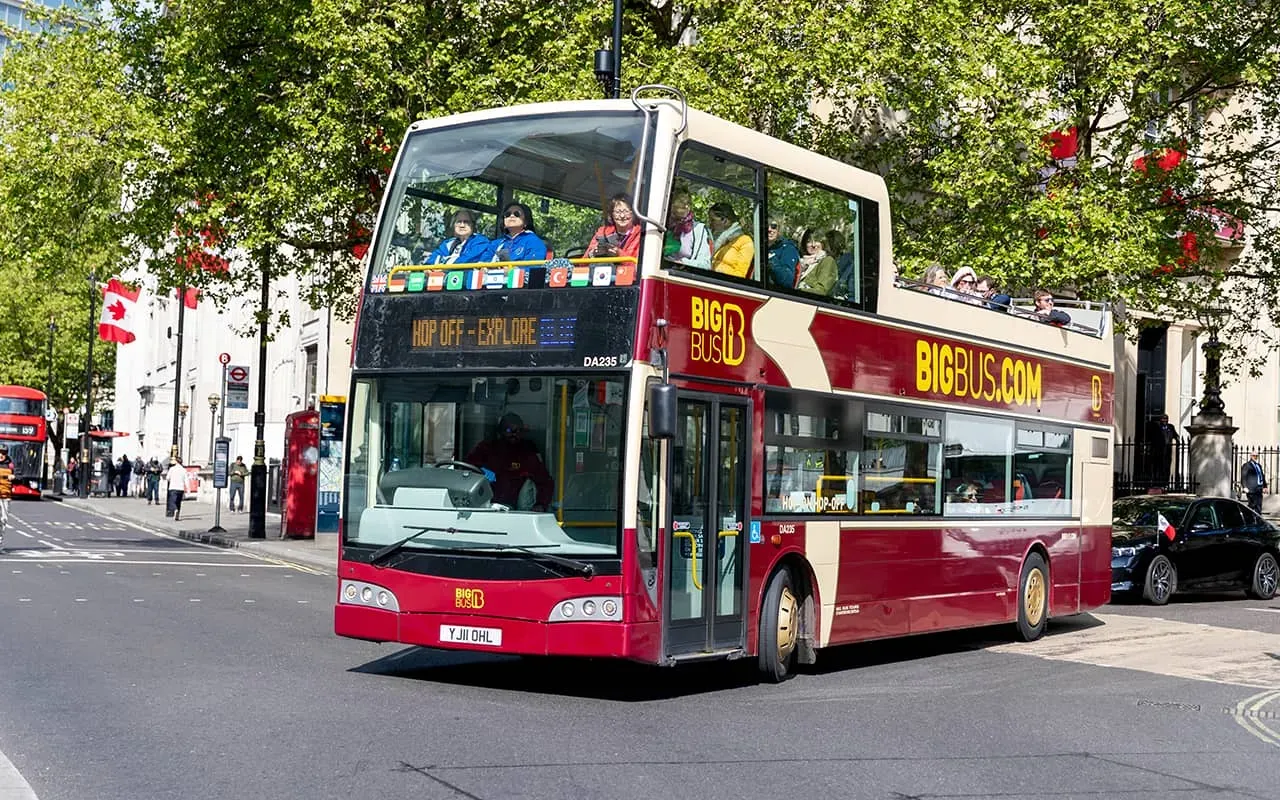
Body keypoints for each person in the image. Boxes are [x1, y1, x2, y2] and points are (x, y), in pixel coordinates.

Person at [464, 412, 554, 510]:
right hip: (486, 505)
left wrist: (541, 504)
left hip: (515, 511)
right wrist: (485, 473)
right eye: (509, 430)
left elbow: (545, 482)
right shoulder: (486, 448)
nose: (514, 434)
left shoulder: (527, 454)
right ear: (500, 431)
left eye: (519, 431)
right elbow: (467, 468)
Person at [662, 185, 712, 270]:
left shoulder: (698, 229)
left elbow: (705, 265)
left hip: (682, 273)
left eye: (688, 203)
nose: (686, 206)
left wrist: (683, 263)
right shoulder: (662, 221)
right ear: (671, 203)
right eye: (682, 202)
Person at [587, 193, 643, 260]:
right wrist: (593, 253)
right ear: (612, 215)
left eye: (626, 211)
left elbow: (640, 263)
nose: (622, 216)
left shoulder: (640, 235)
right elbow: (583, 261)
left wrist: (618, 254)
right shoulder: (602, 232)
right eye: (617, 212)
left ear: (633, 213)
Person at [425, 208, 491, 265]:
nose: (462, 225)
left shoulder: (480, 241)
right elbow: (432, 260)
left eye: (466, 222)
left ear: (473, 225)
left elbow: (466, 261)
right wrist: (428, 268)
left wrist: (443, 263)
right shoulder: (448, 243)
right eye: (459, 222)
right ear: (453, 225)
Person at [708, 202, 754, 278]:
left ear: (724, 220)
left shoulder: (745, 241)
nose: (710, 224)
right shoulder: (717, 240)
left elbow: (740, 274)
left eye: (713, 220)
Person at [795, 228, 838, 296]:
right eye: (809, 241)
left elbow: (821, 290)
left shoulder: (827, 261)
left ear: (823, 243)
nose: (813, 245)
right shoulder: (800, 262)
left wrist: (798, 292)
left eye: (817, 241)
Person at [1145, 414, 1178, 488]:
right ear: (1160, 420)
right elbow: (1151, 437)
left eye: (1166, 419)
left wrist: (1177, 441)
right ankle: (1156, 482)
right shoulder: (1157, 427)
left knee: (1166, 467)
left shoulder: (1170, 427)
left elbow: (1175, 435)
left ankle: (1165, 482)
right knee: (1157, 467)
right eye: (1163, 419)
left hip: (1168, 450)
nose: (1165, 420)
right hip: (1158, 450)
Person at [766, 220, 800, 289]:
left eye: (773, 226)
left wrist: (771, 260)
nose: (769, 229)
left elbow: (787, 281)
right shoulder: (756, 246)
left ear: (778, 230)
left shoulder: (788, 248)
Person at [0, 444, 13, 548]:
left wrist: (14, 477)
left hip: (5, 496)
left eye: (3, 453)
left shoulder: (10, 465)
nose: (1, 455)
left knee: (3, 519)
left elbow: (19, 477)